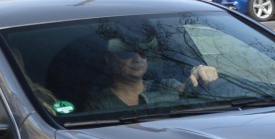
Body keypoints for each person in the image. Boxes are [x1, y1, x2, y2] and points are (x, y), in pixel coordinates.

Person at [89, 37, 220, 111]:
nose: (137, 59)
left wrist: (199, 72)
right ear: (109, 59)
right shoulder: (99, 104)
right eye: (127, 54)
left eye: (143, 53)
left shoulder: (165, 86)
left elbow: (186, 90)